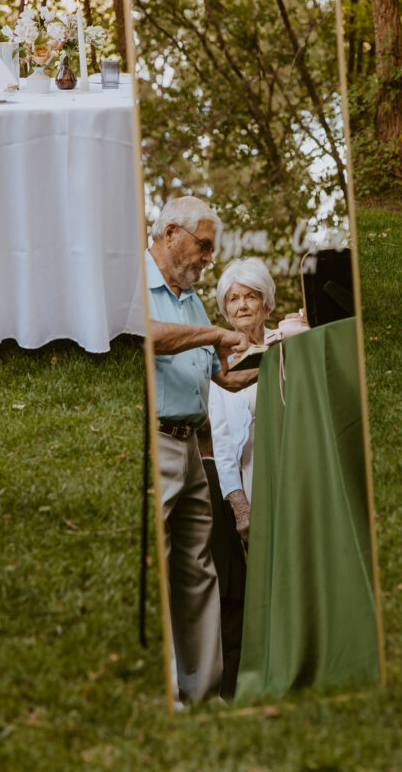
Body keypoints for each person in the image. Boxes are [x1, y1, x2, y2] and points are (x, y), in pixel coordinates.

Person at [146, 197, 257, 707]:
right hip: (158, 442)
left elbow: (222, 376)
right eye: (203, 245)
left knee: (197, 572)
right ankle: (167, 693)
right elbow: (147, 335)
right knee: (164, 569)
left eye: (211, 249)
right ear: (171, 233)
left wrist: (277, 360)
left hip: (192, 450)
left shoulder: (188, 296)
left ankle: (205, 696)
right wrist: (215, 331)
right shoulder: (136, 281)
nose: (208, 257)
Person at [204, 258, 277, 690]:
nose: (243, 305)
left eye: (251, 296)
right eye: (234, 299)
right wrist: (239, 503)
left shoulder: (288, 348)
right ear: (226, 312)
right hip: (250, 480)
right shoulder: (219, 365)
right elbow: (225, 442)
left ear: (266, 304)